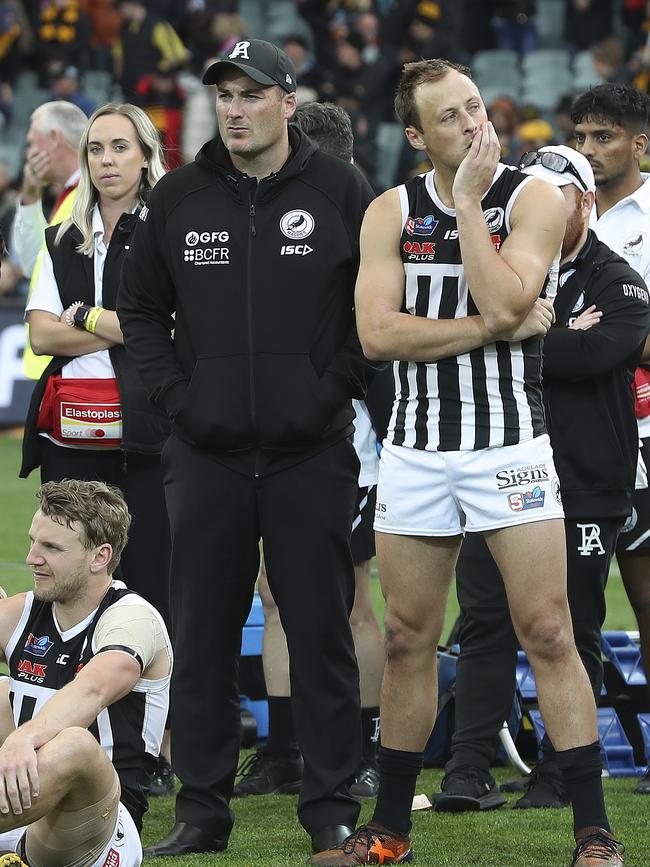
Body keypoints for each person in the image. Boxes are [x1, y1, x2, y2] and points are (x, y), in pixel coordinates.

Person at [311, 59, 622, 867]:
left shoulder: (534, 196)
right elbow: (379, 337)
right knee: (411, 637)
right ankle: (388, 832)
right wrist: (496, 327)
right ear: (415, 135)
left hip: (509, 444)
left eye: (476, 108)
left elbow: (507, 297)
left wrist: (471, 207)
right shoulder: (387, 210)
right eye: (449, 118)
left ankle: (595, 832)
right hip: (415, 449)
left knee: (549, 631)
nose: (473, 125)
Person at [118, 39, 376, 858]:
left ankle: (331, 805)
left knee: (321, 634)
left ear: (286, 103)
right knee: (200, 635)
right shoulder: (179, 198)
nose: (234, 108)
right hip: (206, 455)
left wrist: (328, 391)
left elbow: (374, 313)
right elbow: (139, 315)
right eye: (223, 95)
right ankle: (202, 810)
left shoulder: (342, 188)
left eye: (250, 94)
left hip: (311, 452)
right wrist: (177, 401)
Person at [429, 146, 650, 825]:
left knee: (569, 624)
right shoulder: (500, 263)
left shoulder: (619, 276)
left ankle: (561, 765)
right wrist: (523, 327)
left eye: (559, 197)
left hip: (586, 480)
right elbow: (466, 334)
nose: (545, 209)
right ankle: (469, 767)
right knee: (484, 618)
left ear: (584, 203)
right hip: (503, 466)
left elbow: (597, 353)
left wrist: (513, 330)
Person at [232, 101, 388, 802]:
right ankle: (284, 745)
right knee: (276, 591)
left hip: (346, 439)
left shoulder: (363, 222)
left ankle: (366, 745)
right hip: (271, 437)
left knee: (347, 597)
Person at [19, 102, 172, 642]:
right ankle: (73, 710)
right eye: (96, 148)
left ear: (147, 155)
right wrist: (129, 325)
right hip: (69, 436)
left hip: (150, 433)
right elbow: (41, 334)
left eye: (120, 147)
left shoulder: (175, 231)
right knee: (69, 585)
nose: (106, 160)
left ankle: (154, 723)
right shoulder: (63, 236)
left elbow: (177, 330)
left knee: (153, 588)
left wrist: (84, 315)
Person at [0, 478, 172, 867]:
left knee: (74, 745)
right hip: (25, 808)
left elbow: (92, 689)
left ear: (99, 556)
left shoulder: (133, 619)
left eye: (51, 548)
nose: (31, 558)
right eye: (33, 541)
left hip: (100, 830)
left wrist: (24, 737)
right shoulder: (24, 611)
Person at [572, 83, 650, 796]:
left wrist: (616, 336)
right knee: (573, 604)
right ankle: (572, 755)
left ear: (640, 144)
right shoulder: (558, 210)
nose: (591, 151)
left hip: (646, 428)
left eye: (606, 137)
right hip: (579, 434)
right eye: (584, 138)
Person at [11, 101, 86, 382]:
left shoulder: (91, 198)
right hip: (56, 365)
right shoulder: (70, 195)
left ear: (55, 138)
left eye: (32, 143)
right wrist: (30, 196)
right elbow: (35, 266)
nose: (28, 153)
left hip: (72, 364)